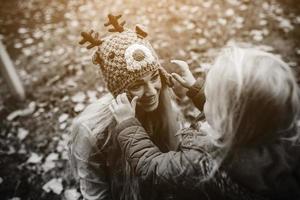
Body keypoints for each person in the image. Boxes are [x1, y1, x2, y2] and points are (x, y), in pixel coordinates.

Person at [110, 47, 300, 199]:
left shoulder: (201, 164)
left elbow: (151, 166)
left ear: (225, 118)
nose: (206, 98)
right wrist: (195, 89)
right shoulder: (284, 143)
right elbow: (232, 117)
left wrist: (128, 123)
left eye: (209, 96)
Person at [68, 14, 183, 200]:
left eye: (154, 77)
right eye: (136, 85)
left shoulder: (168, 110)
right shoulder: (92, 131)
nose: (152, 92)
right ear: (117, 91)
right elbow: (96, 195)